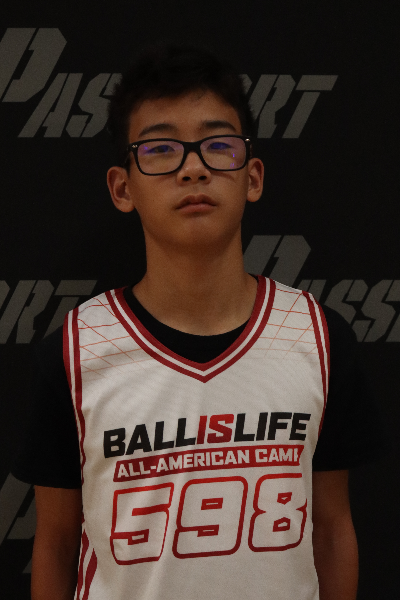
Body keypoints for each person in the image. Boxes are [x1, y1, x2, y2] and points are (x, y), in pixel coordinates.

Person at [12, 43, 388, 600]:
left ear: (252, 177)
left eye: (218, 145)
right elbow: (56, 544)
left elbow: (332, 530)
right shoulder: (76, 351)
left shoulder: (317, 337)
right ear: (122, 188)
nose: (193, 168)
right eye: (161, 149)